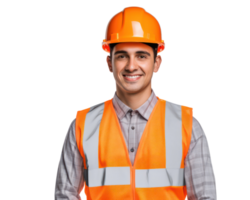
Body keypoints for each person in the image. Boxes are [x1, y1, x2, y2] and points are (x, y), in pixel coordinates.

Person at [54, 4, 217, 200]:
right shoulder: (83, 124)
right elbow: (65, 195)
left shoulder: (187, 125)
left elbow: (205, 198)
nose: (131, 66)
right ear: (109, 63)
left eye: (141, 56)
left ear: (157, 62)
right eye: (122, 56)